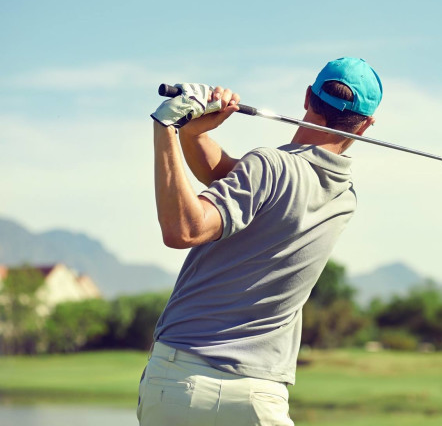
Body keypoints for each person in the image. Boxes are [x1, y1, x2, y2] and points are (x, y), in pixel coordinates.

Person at [139, 57, 383, 426]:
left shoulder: (269, 166)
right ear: (366, 125)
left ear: (307, 98)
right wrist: (195, 135)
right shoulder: (344, 196)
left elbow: (184, 229)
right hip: (259, 396)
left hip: (181, 380)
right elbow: (231, 180)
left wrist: (168, 127)